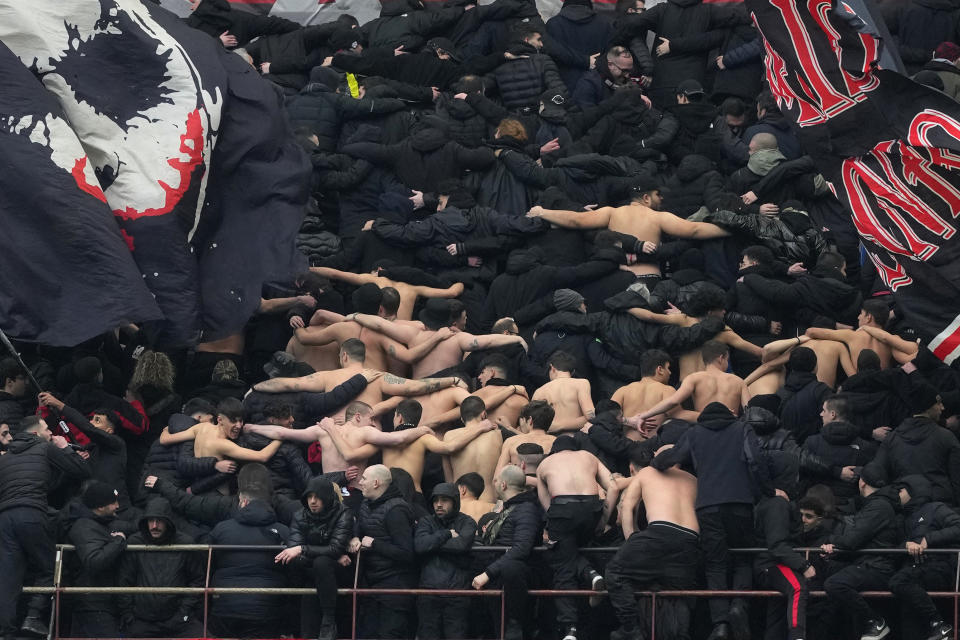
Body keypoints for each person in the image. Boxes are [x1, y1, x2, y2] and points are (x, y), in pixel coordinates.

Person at [651, 402, 759, 640]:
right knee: (743, 559)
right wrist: (764, 492)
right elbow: (755, 460)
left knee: (715, 563)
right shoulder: (742, 429)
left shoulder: (695, 432)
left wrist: (656, 462)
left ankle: (719, 623)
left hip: (708, 506)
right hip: (740, 504)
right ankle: (739, 605)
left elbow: (675, 456)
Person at [0, 415, 89, 638]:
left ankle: (6, 632)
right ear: (35, 434)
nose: (51, 433)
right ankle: (33, 617)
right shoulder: (44, 448)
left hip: (5, 518)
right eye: (47, 429)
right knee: (51, 567)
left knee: (9, 577)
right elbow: (82, 471)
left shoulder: (5, 458)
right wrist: (65, 449)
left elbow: (41, 483)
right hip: (32, 514)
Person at [247, 404, 432, 508]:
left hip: (327, 492)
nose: (373, 424)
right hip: (354, 494)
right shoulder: (364, 432)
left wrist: (252, 427)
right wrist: (422, 429)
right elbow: (398, 438)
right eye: (371, 419)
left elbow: (282, 433)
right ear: (358, 417)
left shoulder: (324, 431)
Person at [604, 446, 700, 640]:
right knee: (679, 593)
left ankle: (630, 628)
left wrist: (631, 540)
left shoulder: (647, 472)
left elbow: (627, 508)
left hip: (660, 532)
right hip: (690, 539)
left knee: (615, 573)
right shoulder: (694, 480)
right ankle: (680, 635)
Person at [528, 193, 730, 280]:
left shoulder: (611, 213)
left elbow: (577, 221)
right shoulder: (658, 216)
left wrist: (543, 212)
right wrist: (729, 230)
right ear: (646, 197)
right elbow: (694, 230)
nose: (661, 200)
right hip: (649, 277)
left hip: (616, 275)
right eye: (658, 195)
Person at [536, 437, 619, 640]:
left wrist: (557, 529)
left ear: (554, 451)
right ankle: (592, 574)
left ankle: (570, 629)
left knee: (562, 564)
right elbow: (614, 487)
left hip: (562, 508)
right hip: (592, 508)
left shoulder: (545, 464)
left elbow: (546, 505)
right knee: (569, 552)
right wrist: (603, 520)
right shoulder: (588, 456)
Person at [821, 465, 903, 640]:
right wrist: (835, 551)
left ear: (862, 482)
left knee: (835, 584)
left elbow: (853, 539)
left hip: (876, 567)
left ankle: (875, 622)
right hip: (867, 565)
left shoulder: (878, 507)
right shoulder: (876, 505)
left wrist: (832, 542)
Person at [207, 483, 291, 638]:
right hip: (267, 607)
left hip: (225, 605)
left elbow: (208, 565)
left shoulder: (221, 529)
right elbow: (293, 571)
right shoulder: (283, 531)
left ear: (244, 503)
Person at [471, 465, 544, 640]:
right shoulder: (512, 508)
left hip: (509, 579)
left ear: (503, 485)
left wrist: (487, 574)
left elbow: (521, 548)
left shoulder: (526, 509)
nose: (494, 484)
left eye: (496, 481)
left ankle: (514, 623)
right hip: (498, 576)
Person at [275, 477, 353, 640]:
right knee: (309, 563)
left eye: (317, 497)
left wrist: (304, 549)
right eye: (309, 497)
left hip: (338, 573)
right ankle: (319, 625)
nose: (313, 501)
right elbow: (295, 553)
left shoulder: (343, 513)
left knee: (321, 563)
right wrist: (332, 554)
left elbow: (335, 548)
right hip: (312, 571)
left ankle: (328, 621)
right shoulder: (299, 515)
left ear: (327, 497)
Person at [116, 497, 204, 638]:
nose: (154, 526)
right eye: (150, 520)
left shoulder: (185, 544)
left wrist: (183, 614)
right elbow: (124, 581)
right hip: (141, 620)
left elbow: (196, 580)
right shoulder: (135, 543)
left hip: (178, 621)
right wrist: (129, 616)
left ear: (168, 522)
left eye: (159, 521)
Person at [862, 382, 960, 506]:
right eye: (938, 403)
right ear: (928, 406)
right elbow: (957, 481)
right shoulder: (946, 437)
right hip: (942, 507)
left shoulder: (892, 439)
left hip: (907, 506)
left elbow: (876, 473)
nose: (942, 408)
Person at [349, 464, 417, 639]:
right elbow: (360, 528)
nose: (360, 482)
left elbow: (406, 552)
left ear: (376, 483)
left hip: (394, 585)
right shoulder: (366, 503)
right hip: (370, 582)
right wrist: (355, 538)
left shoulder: (397, 510)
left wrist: (374, 544)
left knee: (390, 633)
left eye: (364, 478)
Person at [38, 392, 131, 510]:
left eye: (97, 421)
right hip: (93, 510)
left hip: (118, 508)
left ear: (109, 431)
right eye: (91, 419)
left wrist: (59, 405)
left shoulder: (117, 444)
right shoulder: (87, 449)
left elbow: (88, 429)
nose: (91, 423)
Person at [65, 481, 130, 637]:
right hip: (92, 603)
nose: (117, 506)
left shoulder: (100, 523)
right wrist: (118, 541)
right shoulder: (84, 527)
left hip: (99, 601)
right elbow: (94, 561)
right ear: (100, 507)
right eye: (113, 502)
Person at [414, 483, 477, 640]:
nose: (439, 504)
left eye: (444, 500)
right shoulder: (426, 521)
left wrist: (433, 544)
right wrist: (447, 534)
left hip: (457, 593)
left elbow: (461, 545)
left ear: (455, 501)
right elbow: (420, 546)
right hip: (428, 592)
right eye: (435, 501)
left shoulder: (467, 522)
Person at [637, 341, 750, 423]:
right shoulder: (738, 381)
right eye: (727, 359)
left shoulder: (694, 378)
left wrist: (644, 415)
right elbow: (750, 411)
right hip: (731, 427)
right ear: (721, 358)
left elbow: (673, 401)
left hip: (704, 428)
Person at [613, 350, 693, 434]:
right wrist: (706, 415)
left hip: (626, 445)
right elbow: (680, 415)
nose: (670, 373)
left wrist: (628, 421)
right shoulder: (666, 390)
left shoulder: (622, 391)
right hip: (655, 445)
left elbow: (605, 417)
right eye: (668, 368)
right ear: (660, 369)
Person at [447, 397, 504, 502]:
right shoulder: (498, 435)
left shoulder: (449, 437)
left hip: (460, 501)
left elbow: (449, 479)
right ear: (484, 415)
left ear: (462, 419)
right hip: (490, 501)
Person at [532, 351, 595, 433]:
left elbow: (531, 425)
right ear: (573, 372)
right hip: (577, 439)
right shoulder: (581, 383)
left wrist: (558, 425)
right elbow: (591, 416)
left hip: (550, 440)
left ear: (552, 368)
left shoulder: (539, 392)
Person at [495, 400, 557, 475]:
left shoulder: (511, 442)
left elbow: (497, 478)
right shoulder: (556, 442)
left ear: (530, 420)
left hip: (517, 485)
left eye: (523, 420)